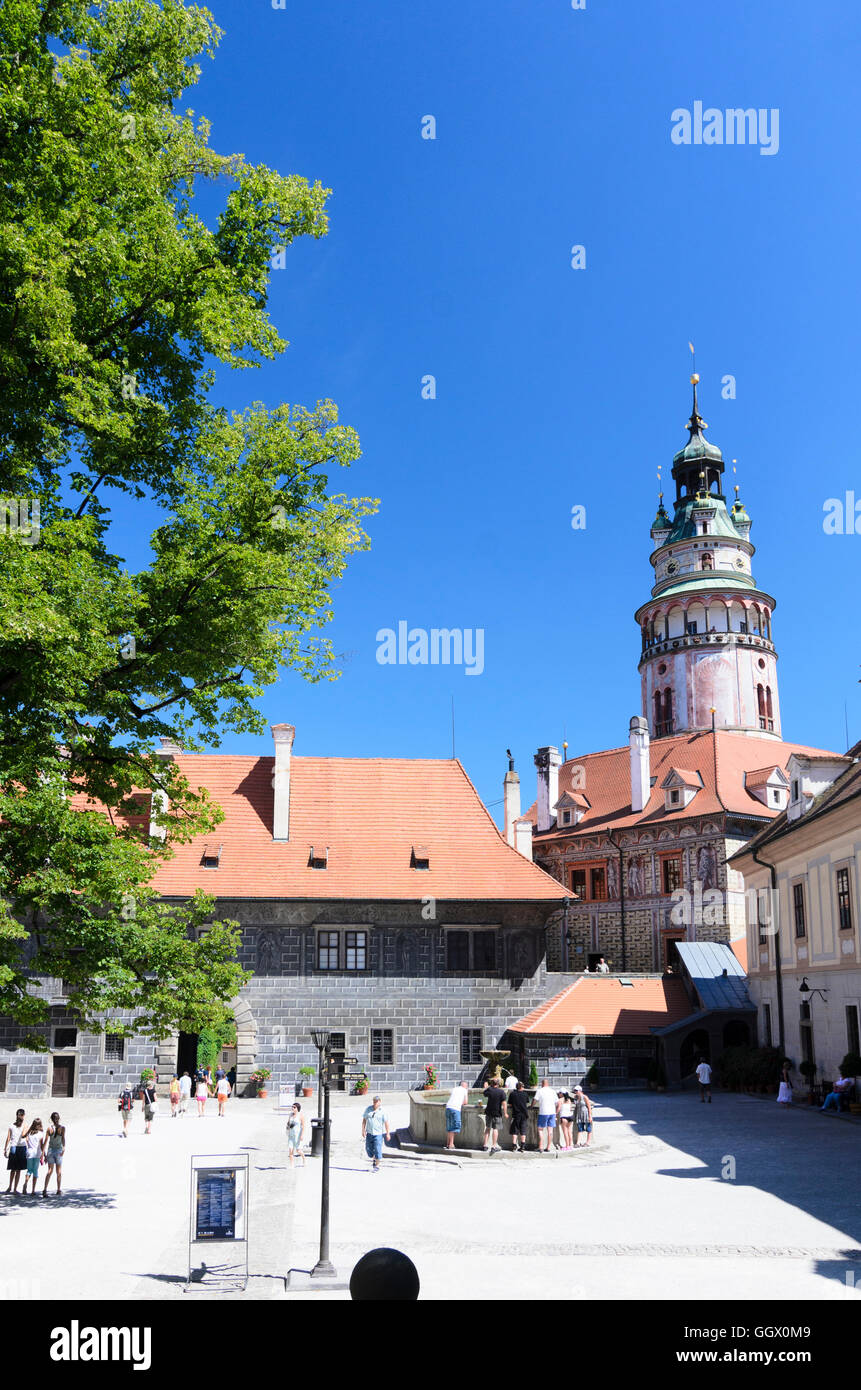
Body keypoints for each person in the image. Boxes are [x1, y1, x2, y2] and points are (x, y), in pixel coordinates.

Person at [361, 1095, 391, 1172]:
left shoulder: (383, 1111)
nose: (375, 1103)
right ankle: (373, 1157)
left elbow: (386, 1123)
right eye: (374, 1101)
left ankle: (377, 1165)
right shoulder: (368, 1109)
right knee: (369, 1150)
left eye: (377, 1101)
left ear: (380, 1102)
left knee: (377, 1149)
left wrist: (388, 1133)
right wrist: (363, 1130)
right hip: (369, 1133)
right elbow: (364, 1120)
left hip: (378, 1134)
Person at [42, 1113, 65, 1197]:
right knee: (58, 1171)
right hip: (58, 1150)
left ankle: (45, 1189)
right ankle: (58, 1190)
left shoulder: (49, 1129)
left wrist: (43, 1154)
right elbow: (63, 1138)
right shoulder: (62, 1128)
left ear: (51, 1119)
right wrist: (64, 1148)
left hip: (50, 1151)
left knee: (50, 1171)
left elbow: (45, 1141)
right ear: (59, 1118)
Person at [5, 1108, 27, 1192]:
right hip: (21, 1148)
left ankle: (10, 1187)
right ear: (23, 1115)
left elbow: (8, 1138)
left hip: (13, 1147)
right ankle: (14, 1189)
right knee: (18, 1170)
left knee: (13, 1170)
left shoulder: (11, 1125)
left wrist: (5, 1149)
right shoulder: (25, 1125)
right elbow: (26, 1137)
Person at [482, 1078, 507, 1153]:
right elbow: (504, 1103)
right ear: (498, 1084)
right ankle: (493, 1146)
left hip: (489, 1112)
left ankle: (485, 1145)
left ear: (492, 1084)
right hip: (497, 1113)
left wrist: (486, 1087)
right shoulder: (501, 1092)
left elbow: (484, 1094)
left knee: (487, 1129)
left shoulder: (489, 1090)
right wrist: (505, 1113)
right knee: (495, 1129)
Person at [534, 1078, 559, 1152]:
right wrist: (556, 1112)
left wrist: (531, 1106)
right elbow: (558, 1103)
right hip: (552, 1113)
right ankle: (548, 1147)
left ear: (542, 1084)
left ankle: (541, 1147)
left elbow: (535, 1100)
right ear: (548, 1084)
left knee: (540, 1129)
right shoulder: (553, 1091)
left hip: (543, 1113)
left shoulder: (540, 1091)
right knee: (550, 1131)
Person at [444, 1079, 469, 1150]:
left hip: (448, 1107)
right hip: (455, 1108)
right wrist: (460, 1103)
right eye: (467, 1086)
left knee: (449, 1125)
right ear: (465, 1086)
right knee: (454, 1126)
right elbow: (466, 1102)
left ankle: (448, 1143)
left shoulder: (454, 1089)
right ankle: (451, 1144)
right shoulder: (464, 1090)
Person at [21, 1118, 44, 1195]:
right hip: (37, 1154)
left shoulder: (30, 1132)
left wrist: (25, 1128)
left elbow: (23, 1136)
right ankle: (33, 1190)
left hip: (29, 1153)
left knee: (29, 1170)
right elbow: (42, 1146)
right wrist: (44, 1155)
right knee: (35, 1171)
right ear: (39, 1125)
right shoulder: (41, 1134)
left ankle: (25, 1184)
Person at [508, 1081, 530, 1152]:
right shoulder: (525, 1094)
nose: (524, 1088)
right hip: (524, 1115)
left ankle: (514, 1146)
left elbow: (510, 1104)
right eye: (523, 1086)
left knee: (515, 1130)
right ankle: (523, 1146)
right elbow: (527, 1102)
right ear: (521, 1087)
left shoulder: (512, 1094)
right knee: (523, 1131)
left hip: (516, 1115)